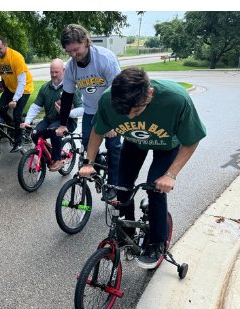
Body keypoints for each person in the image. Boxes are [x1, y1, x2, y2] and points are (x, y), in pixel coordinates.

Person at [79, 67, 206, 268]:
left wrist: (171, 175)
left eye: (137, 111)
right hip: (134, 143)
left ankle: (156, 243)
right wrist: (88, 163)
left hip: (167, 145)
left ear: (150, 93)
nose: (130, 118)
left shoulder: (176, 99)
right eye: (125, 113)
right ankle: (128, 232)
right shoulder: (106, 100)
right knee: (122, 186)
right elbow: (98, 131)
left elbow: (192, 140)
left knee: (155, 187)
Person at [54, 24, 122, 184]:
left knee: (114, 147)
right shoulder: (70, 67)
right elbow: (67, 97)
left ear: (86, 41)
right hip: (90, 110)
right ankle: (96, 167)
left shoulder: (105, 59)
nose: (73, 54)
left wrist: (112, 123)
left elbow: (119, 92)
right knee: (87, 145)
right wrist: (63, 124)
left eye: (76, 49)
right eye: (69, 51)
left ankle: (114, 183)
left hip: (112, 109)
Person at [21, 59, 83, 171]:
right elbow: (36, 106)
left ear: (64, 71)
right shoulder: (45, 88)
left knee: (54, 130)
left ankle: (57, 159)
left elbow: (81, 108)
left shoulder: (70, 87)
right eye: (52, 72)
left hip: (68, 122)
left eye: (56, 72)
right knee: (34, 134)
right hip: (49, 119)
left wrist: (67, 113)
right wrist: (27, 121)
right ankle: (46, 157)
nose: (53, 75)